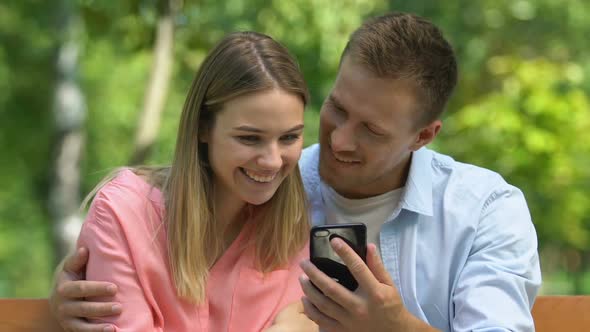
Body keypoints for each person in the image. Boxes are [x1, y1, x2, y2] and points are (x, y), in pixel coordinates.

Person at [51, 12, 542, 332]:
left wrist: (397, 328)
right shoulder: (278, 186)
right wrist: (75, 289)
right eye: (338, 109)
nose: (340, 140)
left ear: (423, 136)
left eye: (371, 129)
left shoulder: (485, 210)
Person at [52, 31, 319, 332]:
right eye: (249, 138)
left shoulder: (291, 232)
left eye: (289, 137)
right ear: (203, 128)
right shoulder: (124, 215)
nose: (272, 160)